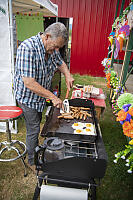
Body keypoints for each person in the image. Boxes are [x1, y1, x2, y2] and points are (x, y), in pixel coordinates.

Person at [14, 22, 74, 169]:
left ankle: (36, 149)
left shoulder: (52, 48)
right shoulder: (27, 48)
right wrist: (53, 97)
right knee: (34, 128)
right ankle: (32, 161)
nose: (56, 50)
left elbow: (61, 63)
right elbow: (29, 83)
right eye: (55, 46)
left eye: (59, 47)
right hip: (27, 97)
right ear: (47, 36)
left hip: (40, 96)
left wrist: (67, 74)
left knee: (39, 122)